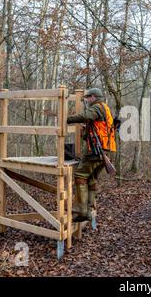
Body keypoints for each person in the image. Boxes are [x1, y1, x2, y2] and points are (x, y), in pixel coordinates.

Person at [66, 88, 118, 222]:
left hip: (96, 149)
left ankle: (81, 211)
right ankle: (89, 211)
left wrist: (67, 119)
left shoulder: (97, 108)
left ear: (93, 97)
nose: (86, 100)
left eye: (88, 98)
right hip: (105, 150)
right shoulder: (104, 108)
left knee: (80, 176)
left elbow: (85, 116)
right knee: (92, 179)